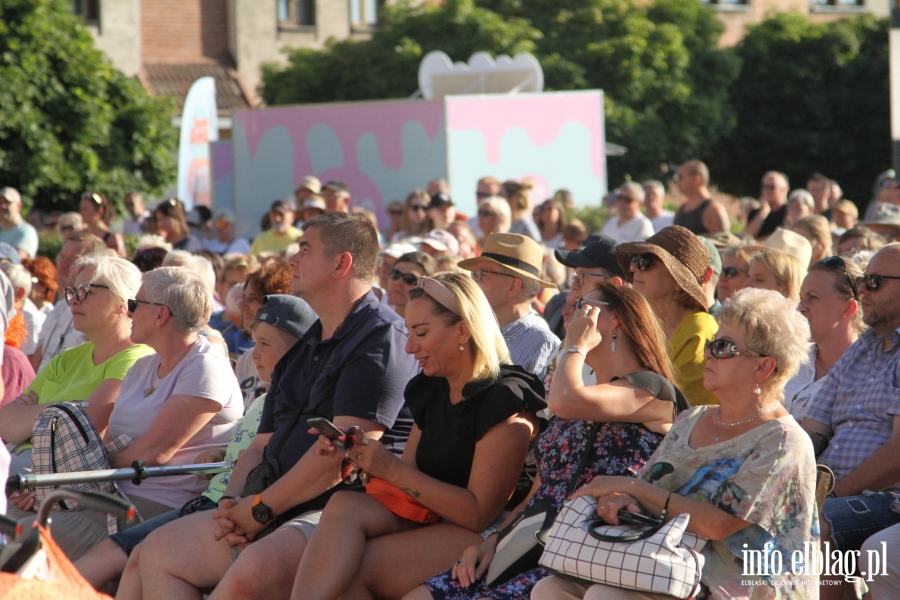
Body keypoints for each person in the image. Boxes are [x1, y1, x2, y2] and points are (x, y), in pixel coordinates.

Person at [129, 212, 418, 599]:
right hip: (271, 502)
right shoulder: (308, 343)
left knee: (249, 575)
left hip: (340, 510)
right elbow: (261, 445)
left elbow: (342, 456)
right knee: (155, 552)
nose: (292, 261)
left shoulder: (380, 338)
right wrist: (233, 505)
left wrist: (260, 509)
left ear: (341, 263)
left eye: (304, 249)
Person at [532, 288, 819, 600]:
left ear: (763, 367)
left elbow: (719, 525)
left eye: (723, 347)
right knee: (550, 589)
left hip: (726, 584)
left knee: (606, 597)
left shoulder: (783, 441)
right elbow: (646, 488)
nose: (708, 353)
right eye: (712, 344)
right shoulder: (692, 419)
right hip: (659, 562)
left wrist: (631, 488)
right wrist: (618, 498)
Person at [407, 282, 686, 600]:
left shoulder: (652, 390)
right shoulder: (581, 399)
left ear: (616, 320)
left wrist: (574, 346)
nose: (567, 310)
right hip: (531, 544)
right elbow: (537, 497)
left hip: (582, 554)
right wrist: (491, 544)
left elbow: (564, 400)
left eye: (581, 305)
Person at [286, 271, 545, 600]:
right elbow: (411, 480)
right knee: (342, 506)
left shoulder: (505, 398)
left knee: (353, 570)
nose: (410, 347)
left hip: (485, 533)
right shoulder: (430, 387)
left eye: (421, 333)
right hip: (434, 516)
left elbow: (480, 512)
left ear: (463, 329)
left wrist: (391, 469)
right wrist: (360, 457)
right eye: (408, 333)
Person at [74, 294, 315, 591]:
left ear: (301, 352)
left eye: (265, 344)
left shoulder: (293, 404)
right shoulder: (265, 399)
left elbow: (277, 460)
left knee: (140, 555)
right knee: (135, 556)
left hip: (228, 508)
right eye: (254, 342)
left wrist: (232, 505)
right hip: (213, 501)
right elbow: (252, 450)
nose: (254, 353)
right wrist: (221, 453)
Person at [10, 266, 244, 560]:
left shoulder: (204, 368)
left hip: (150, 505)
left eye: (134, 304)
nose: (128, 311)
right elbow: (111, 441)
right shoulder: (144, 367)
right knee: (11, 516)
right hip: (108, 492)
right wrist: (50, 481)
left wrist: (63, 480)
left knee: (13, 545)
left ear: (161, 315)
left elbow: (152, 453)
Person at [801, 243, 900, 599]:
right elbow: (813, 430)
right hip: (830, 489)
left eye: (874, 282)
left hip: (887, 496)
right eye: (863, 281)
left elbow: (897, 458)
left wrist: (830, 496)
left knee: (818, 525)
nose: (863, 290)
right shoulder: (862, 348)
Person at [1, 255, 153, 483]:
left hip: (55, 475)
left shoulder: (137, 358)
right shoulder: (67, 358)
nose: (73, 300)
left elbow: (82, 428)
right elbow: (6, 424)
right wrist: (63, 409)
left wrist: (34, 412)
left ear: (123, 302)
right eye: (72, 291)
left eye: (86, 291)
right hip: (23, 465)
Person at [616, 225, 719, 406]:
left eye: (646, 261)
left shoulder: (700, 329)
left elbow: (670, 405)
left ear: (678, 281)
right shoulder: (643, 323)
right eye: (635, 259)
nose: (633, 268)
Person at [459, 233, 560, 379]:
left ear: (513, 286)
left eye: (482, 274)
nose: (474, 282)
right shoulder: (468, 329)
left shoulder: (543, 345)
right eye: (474, 274)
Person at [785, 255, 865, 421]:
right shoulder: (791, 359)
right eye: (801, 298)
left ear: (848, 308)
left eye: (813, 298)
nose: (800, 308)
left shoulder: (868, 372)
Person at [30, 233, 107, 372]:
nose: (63, 264)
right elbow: (37, 362)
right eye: (62, 257)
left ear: (92, 268)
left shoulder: (96, 315)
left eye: (73, 260)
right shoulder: (57, 310)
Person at [234, 260, 293, 409]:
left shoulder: (292, 363)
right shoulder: (247, 360)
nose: (242, 306)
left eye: (252, 299)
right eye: (243, 297)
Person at [543, 236, 625, 341]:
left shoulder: (629, 343)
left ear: (615, 285)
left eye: (583, 276)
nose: (574, 286)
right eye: (575, 276)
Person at [671, 161, 729, 236]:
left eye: (680, 176)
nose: (676, 180)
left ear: (696, 179)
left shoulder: (713, 210)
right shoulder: (681, 209)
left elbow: (722, 243)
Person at [387, 251, 438, 318]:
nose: (398, 283)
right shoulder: (376, 304)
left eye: (410, 279)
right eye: (395, 273)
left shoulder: (432, 324)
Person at [746, 171, 790, 240]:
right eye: (764, 186)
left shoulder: (789, 211)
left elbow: (785, 234)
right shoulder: (755, 213)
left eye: (772, 187)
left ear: (784, 189)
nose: (767, 190)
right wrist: (763, 212)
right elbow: (747, 237)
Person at [80, 191, 125, 256]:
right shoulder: (80, 235)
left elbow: (120, 261)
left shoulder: (112, 238)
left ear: (100, 210)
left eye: (85, 208)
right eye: (81, 208)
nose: (81, 212)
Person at [0, 186, 38, 259]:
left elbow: (17, 260)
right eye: (0, 202)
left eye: (7, 202)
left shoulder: (26, 231)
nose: (2, 206)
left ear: (19, 206)